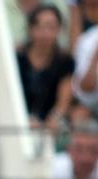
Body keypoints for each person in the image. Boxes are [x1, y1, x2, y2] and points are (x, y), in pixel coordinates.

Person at [18, 4, 74, 133]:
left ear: (59, 29)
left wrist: (52, 120)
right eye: (39, 27)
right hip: (17, 119)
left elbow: (63, 102)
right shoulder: (17, 58)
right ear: (30, 28)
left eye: (51, 27)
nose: (45, 33)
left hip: (49, 125)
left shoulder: (65, 62)